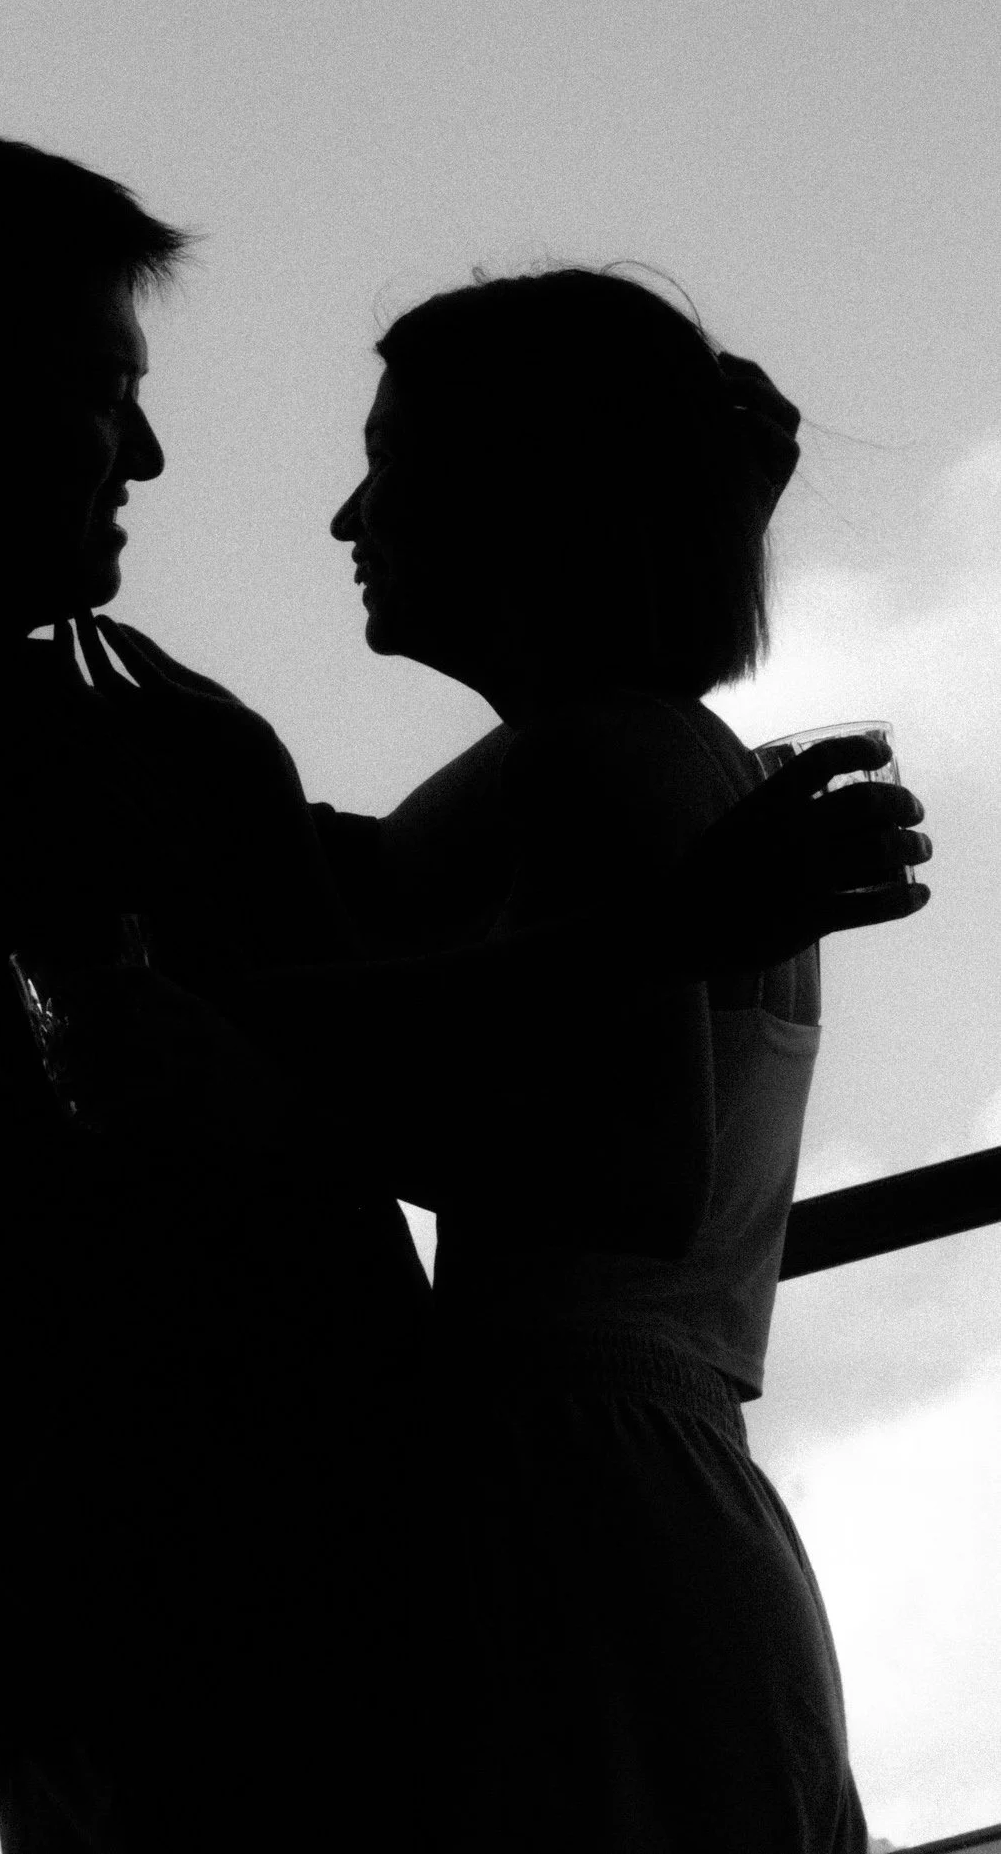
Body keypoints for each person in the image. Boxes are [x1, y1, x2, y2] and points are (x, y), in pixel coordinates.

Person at [0, 138, 927, 1850]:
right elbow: (225, 1023)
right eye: (104, 395)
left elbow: (316, 955)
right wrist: (658, 912)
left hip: (224, 1625)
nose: (149, 454)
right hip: (213, 1637)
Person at [314, 265, 900, 1847]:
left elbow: (625, 1169)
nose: (352, 519)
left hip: (578, 1518)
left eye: (393, 462)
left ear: (518, 494)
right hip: (654, 1501)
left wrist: (248, 1087)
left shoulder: (600, 764)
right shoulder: (643, 755)